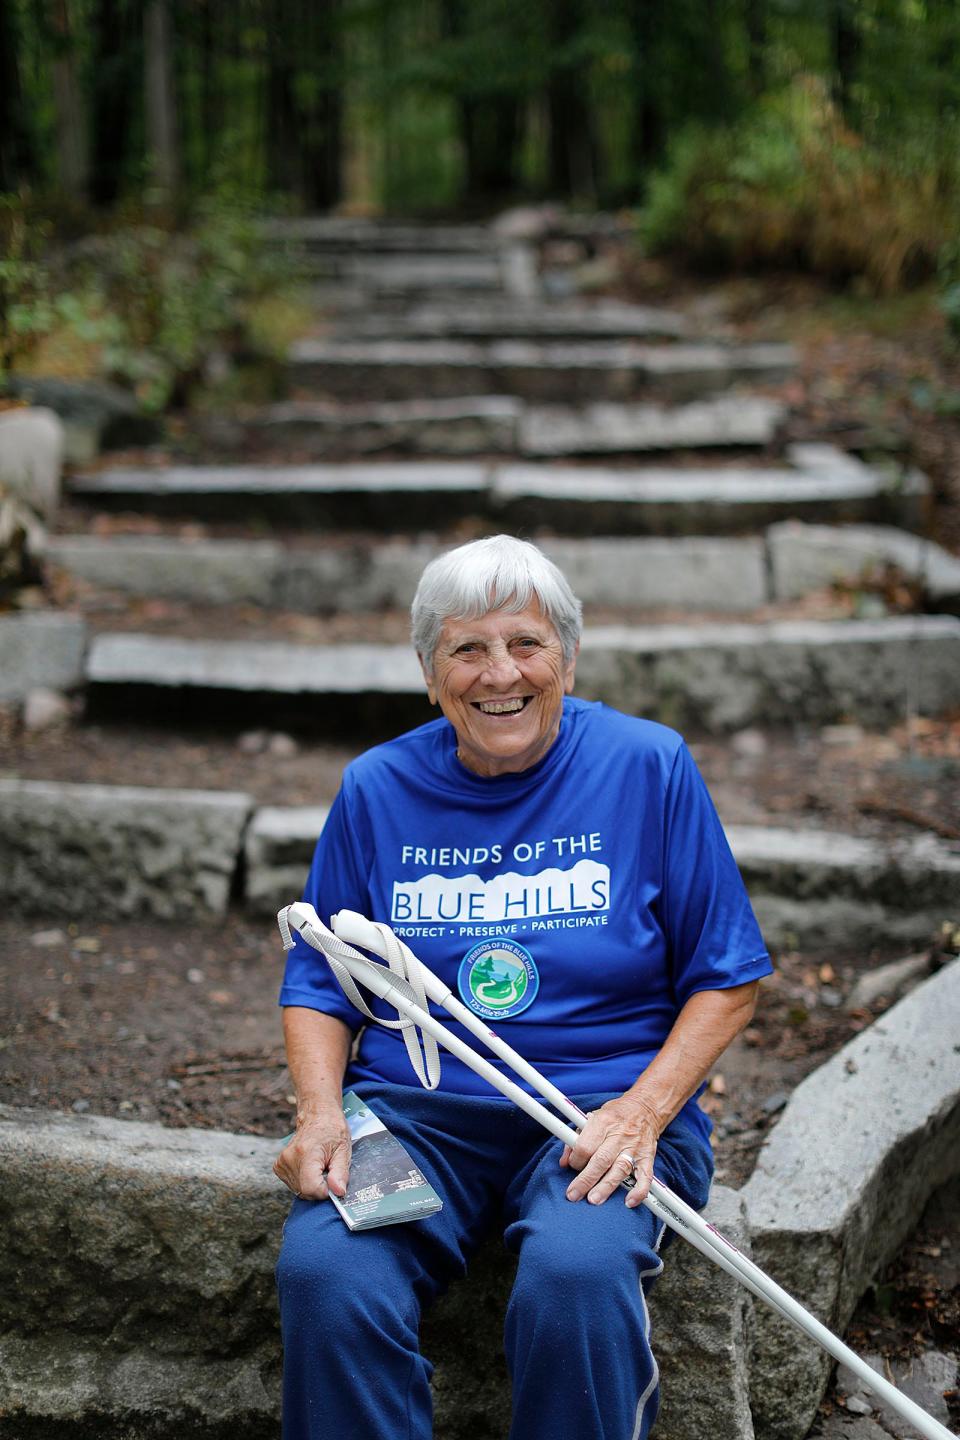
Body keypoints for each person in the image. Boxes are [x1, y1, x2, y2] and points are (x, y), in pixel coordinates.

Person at [274, 534, 772, 1440]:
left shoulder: (646, 765)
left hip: (599, 1111)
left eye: (526, 644)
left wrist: (643, 1114)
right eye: (467, 649)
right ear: (430, 672)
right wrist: (320, 1113)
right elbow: (319, 977)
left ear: (568, 660)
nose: (499, 673)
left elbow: (728, 979)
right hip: (415, 1110)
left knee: (576, 1278)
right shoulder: (375, 787)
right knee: (328, 1272)